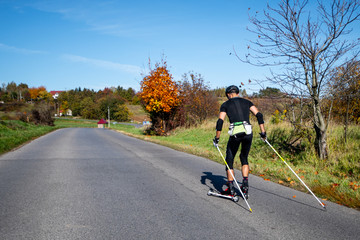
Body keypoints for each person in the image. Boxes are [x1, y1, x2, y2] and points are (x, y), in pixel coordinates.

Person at [213, 85, 267, 198]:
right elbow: (259, 115)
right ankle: (245, 185)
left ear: (228, 94)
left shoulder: (225, 104)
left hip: (236, 134)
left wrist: (217, 138)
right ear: (238, 93)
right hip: (248, 133)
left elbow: (220, 122)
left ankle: (231, 188)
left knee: (229, 159)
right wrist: (263, 133)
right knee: (244, 157)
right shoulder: (247, 102)